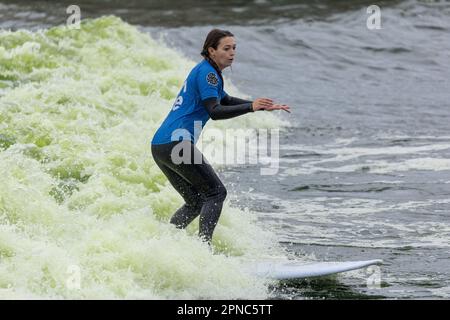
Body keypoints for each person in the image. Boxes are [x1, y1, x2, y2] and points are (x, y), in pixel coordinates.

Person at [151, 29, 290, 245]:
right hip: (176, 143)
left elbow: (224, 100)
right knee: (215, 193)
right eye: (226, 48)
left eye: (234, 48)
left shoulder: (207, 72)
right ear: (211, 50)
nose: (232, 53)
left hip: (160, 145)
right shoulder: (208, 74)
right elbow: (214, 111)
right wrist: (251, 108)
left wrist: (259, 106)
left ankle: (161, 243)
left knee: (195, 202)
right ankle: (204, 251)